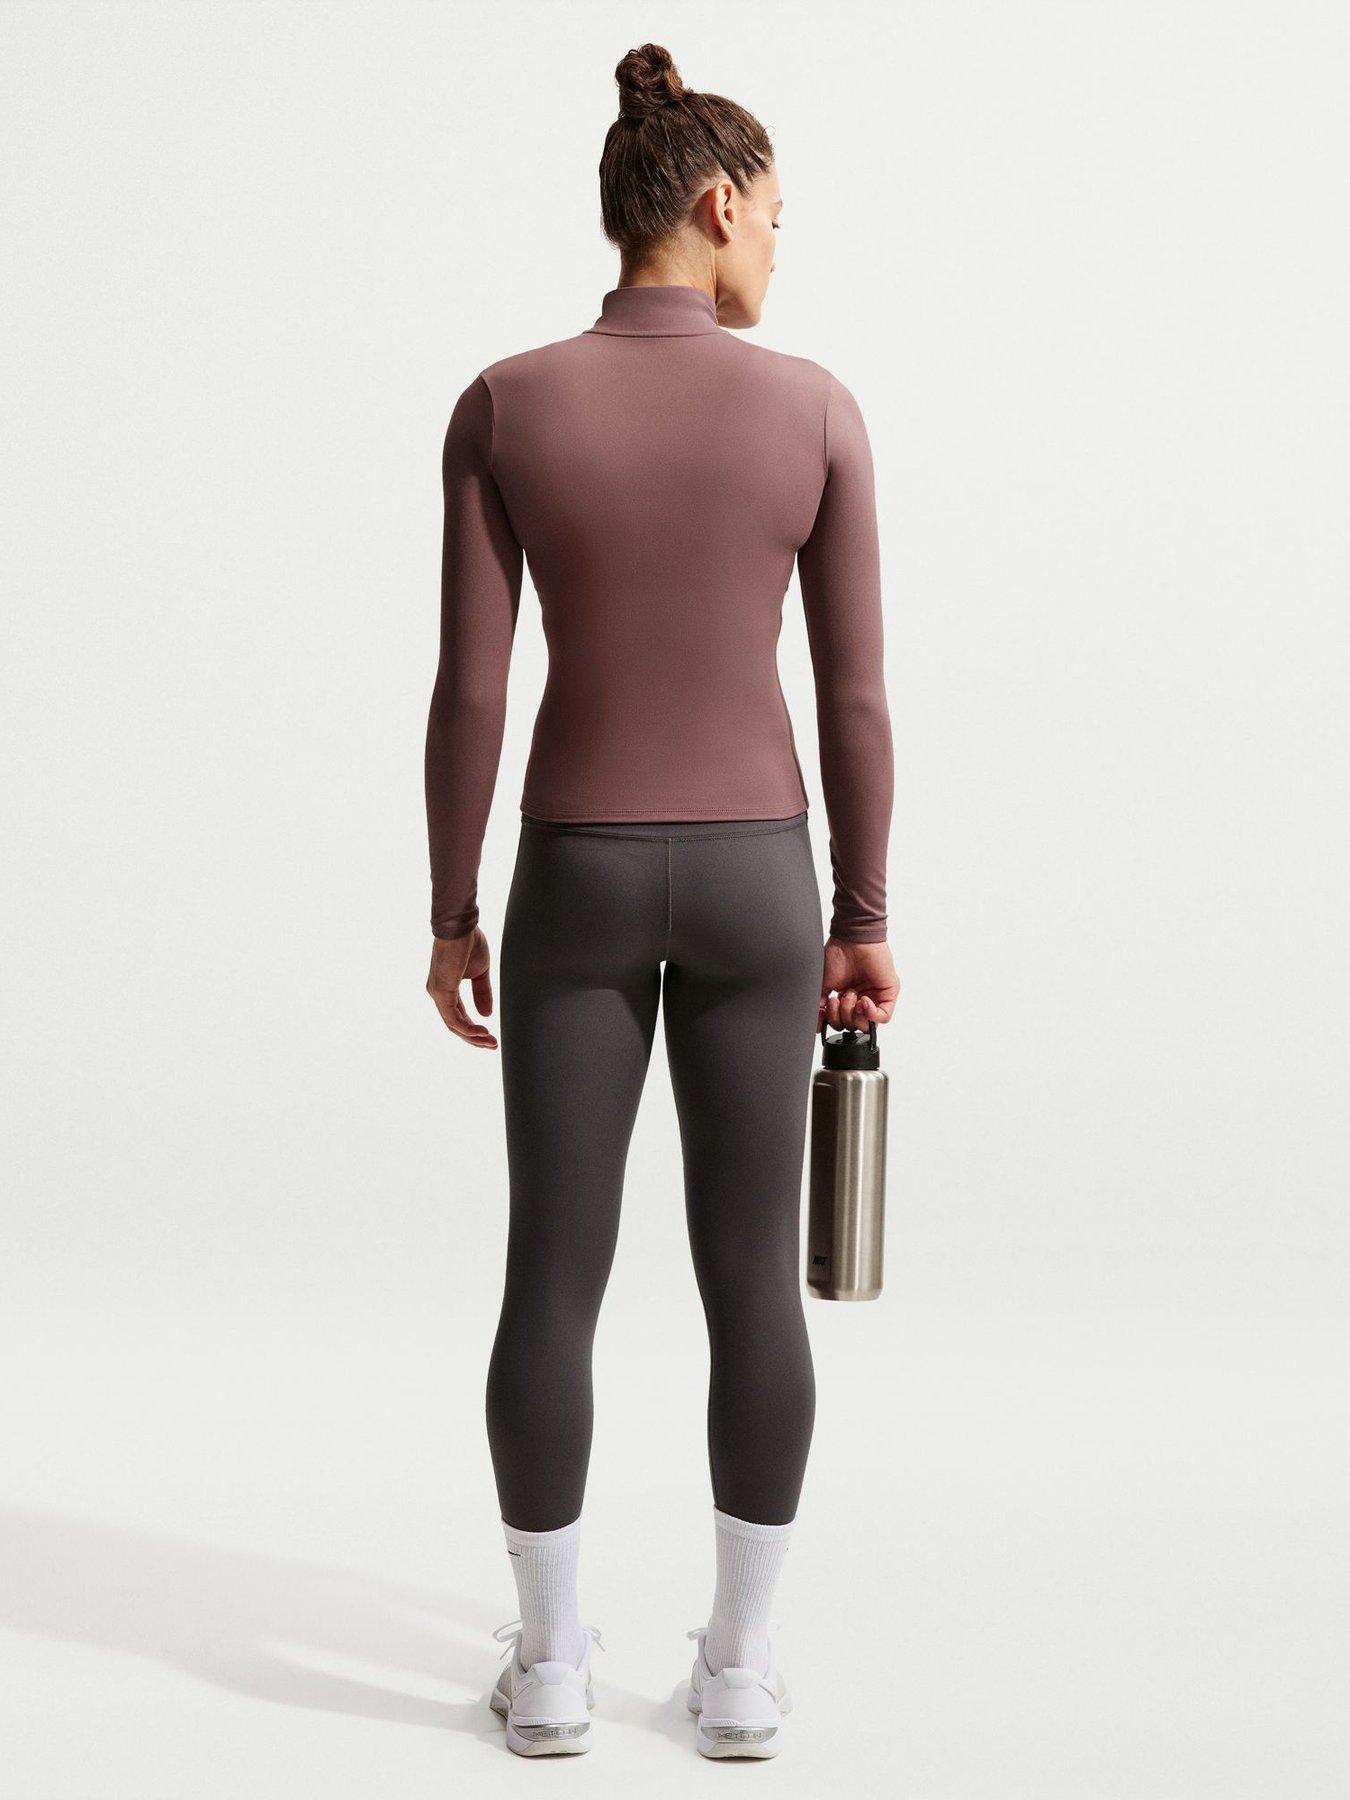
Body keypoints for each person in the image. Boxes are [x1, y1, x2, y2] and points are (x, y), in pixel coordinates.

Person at [424, 43, 898, 1761]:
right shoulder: (814, 410)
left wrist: (450, 909)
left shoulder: (505, 404)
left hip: (576, 872)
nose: (776, 244)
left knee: (552, 1269)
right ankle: (741, 1671)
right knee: (751, 1277)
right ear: (710, 205)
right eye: (772, 214)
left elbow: (473, 692)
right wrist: (863, 908)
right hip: (765, 876)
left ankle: (551, 1665)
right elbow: (853, 696)